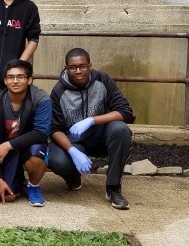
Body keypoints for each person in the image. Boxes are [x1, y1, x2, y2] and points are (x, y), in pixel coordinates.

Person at [47, 48, 135, 210]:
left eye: (83, 66)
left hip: (100, 137)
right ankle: (73, 178)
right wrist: (72, 151)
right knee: (56, 158)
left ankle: (113, 187)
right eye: (73, 68)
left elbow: (125, 112)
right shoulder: (59, 91)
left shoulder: (103, 81)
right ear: (66, 68)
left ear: (90, 66)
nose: (78, 71)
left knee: (121, 130)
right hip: (74, 141)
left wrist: (92, 120)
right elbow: (54, 129)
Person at [0, 59, 51, 207]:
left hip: (28, 148)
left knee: (36, 153)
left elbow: (41, 133)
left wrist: (8, 145)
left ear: (29, 80)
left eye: (20, 77)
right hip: (5, 154)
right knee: (9, 196)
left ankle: (33, 186)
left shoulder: (41, 98)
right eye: (10, 77)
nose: (15, 81)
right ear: (5, 81)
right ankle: (18, 180)